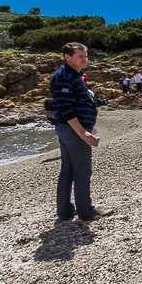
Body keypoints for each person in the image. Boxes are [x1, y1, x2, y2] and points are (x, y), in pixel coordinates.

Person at [48, 42, 114, 221]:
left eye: (86, 56)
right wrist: (82, 132)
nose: (85, 59)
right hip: (73, 129)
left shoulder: (74, 76)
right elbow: (65, 108)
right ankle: (86, 211)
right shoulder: (63, 76)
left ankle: (65, 211)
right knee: (82, 170)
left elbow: (74, 101)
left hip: (69, 129)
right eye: (80, 56)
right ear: (67, 57)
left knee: (68, 169)